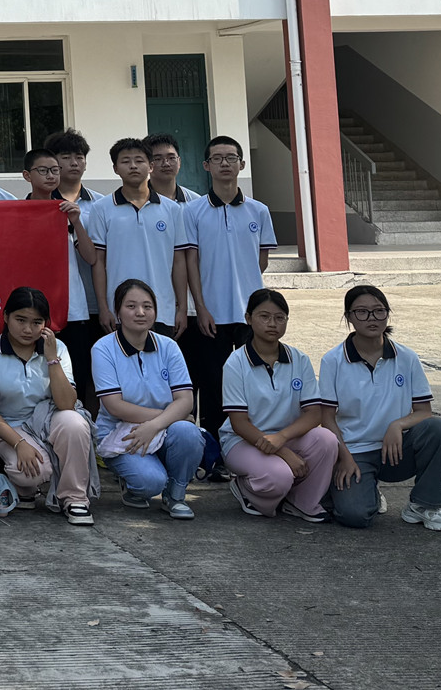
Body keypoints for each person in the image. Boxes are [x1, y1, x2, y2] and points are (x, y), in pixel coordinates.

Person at [318, 285, 441, 532]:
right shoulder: (333, 361)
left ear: (387, 314)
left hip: (396, 449)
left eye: (379, 311)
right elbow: (327, 418)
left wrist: (398, 424)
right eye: (361, 312)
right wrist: (344, 457)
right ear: (348, 317)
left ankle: (423, 505)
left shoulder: (406, 357)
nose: (371, 318)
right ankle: (367, 491)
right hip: (355, 452)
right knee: (355, 516)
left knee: (438, 429)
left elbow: (424, 411)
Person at [182, 137, 276, 449]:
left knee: (253, 380)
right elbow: (191, 262)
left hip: (250, 315)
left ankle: (253, 443)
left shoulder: (259, 210)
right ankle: (215, 454)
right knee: (213, 384)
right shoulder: (192, 211)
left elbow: (261, 260)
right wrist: (201, 307)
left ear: (242, 164)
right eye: (217, 158)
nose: (225, 163)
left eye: (231, 157)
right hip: (211, 314)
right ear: (206, 165)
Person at [0, 287, 96, 525]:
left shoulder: (57, 348)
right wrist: (19, 444)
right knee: (32, 473)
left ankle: (75, 498)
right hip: (10, 426)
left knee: (75, 423)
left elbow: (66, 404)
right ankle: (24, 487)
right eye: (20, 320)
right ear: (6, 316)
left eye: (36, 322)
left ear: (45, 324)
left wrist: (52, 359)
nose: (28, 329)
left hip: (48, 418)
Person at [219, 288, 336, 523]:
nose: (272, 324)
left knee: (327, 440)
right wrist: (282, 452)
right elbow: (239, 423)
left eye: (280, 318)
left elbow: (314, 414)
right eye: (264, 316)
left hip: (286, 435)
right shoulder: (236, 363)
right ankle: (245, 489)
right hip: (243, 441)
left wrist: (282, 438)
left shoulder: (299, 359)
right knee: (278, 477)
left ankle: (303, 502)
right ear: (248, 318)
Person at [91, 279, 200, 519]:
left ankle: (175, 495)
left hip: (164, 427)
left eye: (147, 306)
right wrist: (165, 418)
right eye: (131, 306)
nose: (140, 312)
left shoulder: (169, 347)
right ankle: (134, 487)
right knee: (150, 483)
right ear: (118, 312)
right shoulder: (103, 348)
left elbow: (185, 400)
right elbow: (115, 406)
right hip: (122, 431)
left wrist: (155, 425)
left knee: (188, 433)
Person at [88, 137, 194, 337]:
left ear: (150, 166)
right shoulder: (101, 208)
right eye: (125, 161)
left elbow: (179, 261)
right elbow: (98, 262)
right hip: (119, 309)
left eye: (139, 160)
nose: (133, 166)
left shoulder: (172, 209)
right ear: (115, 168)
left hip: (162, 310)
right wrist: (103, 307)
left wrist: (182, 308)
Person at [21, 149, 102, 404]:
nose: (50, 176)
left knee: (76, 374)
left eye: (54, 170)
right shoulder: (16, 212)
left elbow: (91, 257)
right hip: (32, 308)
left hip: (72, 307)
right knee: (35, 377)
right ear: (27, 175)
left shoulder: (66, 211)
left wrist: (76, 221)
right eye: (43, 171)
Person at [44, 129, 107, 405]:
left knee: (96, 373)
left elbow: (97, 256)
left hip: (96, 302)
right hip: (59, 306)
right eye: (66, 156)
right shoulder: (41, 204)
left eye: (79, 157)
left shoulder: (101, 204)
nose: (74, 163)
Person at [146, 133, 201, 207]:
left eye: (171, 158)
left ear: (179, 162)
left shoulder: (195, 201)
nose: (166, 164)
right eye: (158, 159)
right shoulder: (138, 202)